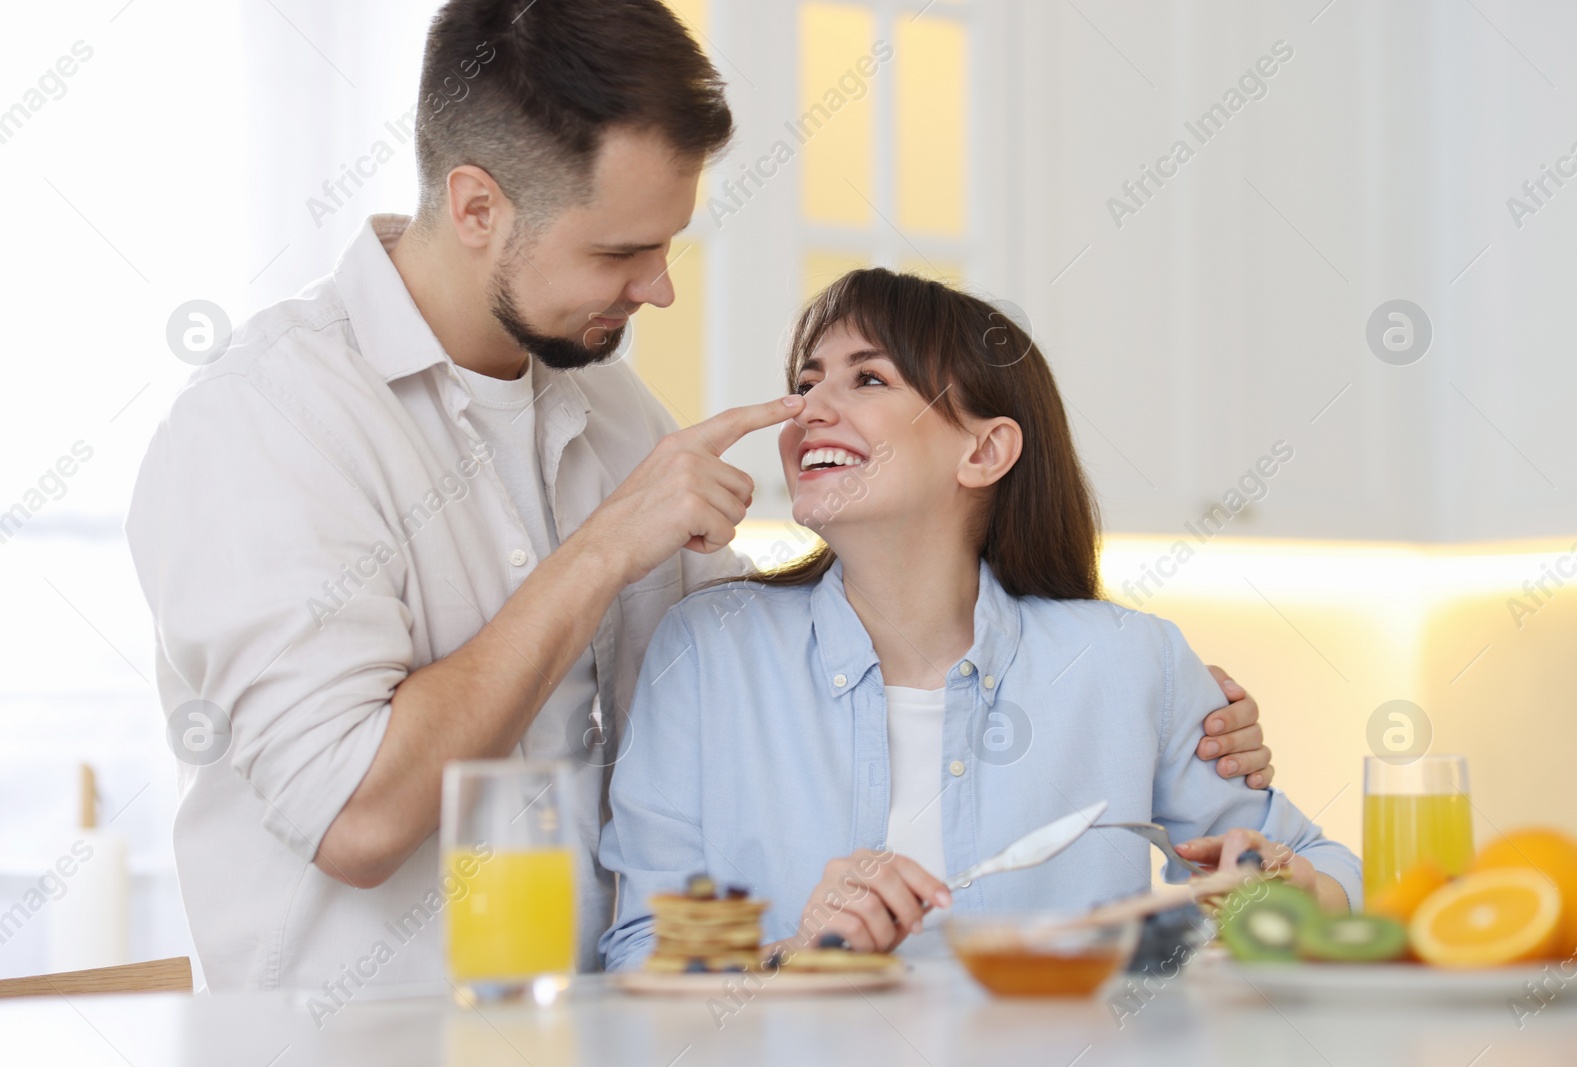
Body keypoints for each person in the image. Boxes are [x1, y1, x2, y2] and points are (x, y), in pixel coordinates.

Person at [126, 0, 1272, 990]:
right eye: (622, 251)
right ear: (476, 208)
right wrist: (604, 546)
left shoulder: (606, 406)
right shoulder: (266, 426)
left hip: (588, 1032)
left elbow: (765, 658)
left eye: (667, 242)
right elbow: (356, 818)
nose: (660, 289)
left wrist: (1150, 701)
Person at [599, 269, 1360, 970]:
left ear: (986, 450)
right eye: (806, 381)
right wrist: (796, 955)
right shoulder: (708, 651)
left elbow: (1322, 868)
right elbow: (641, 951)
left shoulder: (1128, 662)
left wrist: (1288, 889)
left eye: (867, 377)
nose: (807, 411)